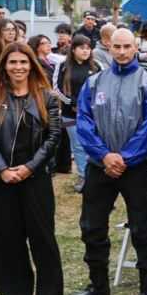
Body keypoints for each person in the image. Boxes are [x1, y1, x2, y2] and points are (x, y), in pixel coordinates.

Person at [71, 28, 147, 295]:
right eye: (117, 47)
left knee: (142, 229)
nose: (122, 52)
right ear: (109, 47)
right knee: (92, 226)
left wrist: (124, 157)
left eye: (127, 47)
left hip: (135, 168)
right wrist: (104, 155)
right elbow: (84, 122)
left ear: (135, 48)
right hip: (100, 167)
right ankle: (98, 285)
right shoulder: (94, 82)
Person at [0, 42, 63, 295]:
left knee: (43, 238)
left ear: (32, 65)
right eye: (13, 62)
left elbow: (53, 138)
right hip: (1, 179)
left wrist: (29, 167)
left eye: (23, 62)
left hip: (35, 177)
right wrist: (2, 169)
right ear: (4, 65)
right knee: (6, 237)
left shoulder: (47, 97)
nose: (18, 67)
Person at [52, 35, 102, 191]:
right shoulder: (62, 66)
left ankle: (95, 176)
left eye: (88, 48)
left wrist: (90, 105)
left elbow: (103, 87)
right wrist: (72, 103)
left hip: (92, 114)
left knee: (93, 143)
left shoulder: (97, 66)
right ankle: (83, 176)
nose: (85, 51)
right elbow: (56, 88)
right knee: (78, 145)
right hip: (70, 113)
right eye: (82, 48)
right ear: (73, 49)